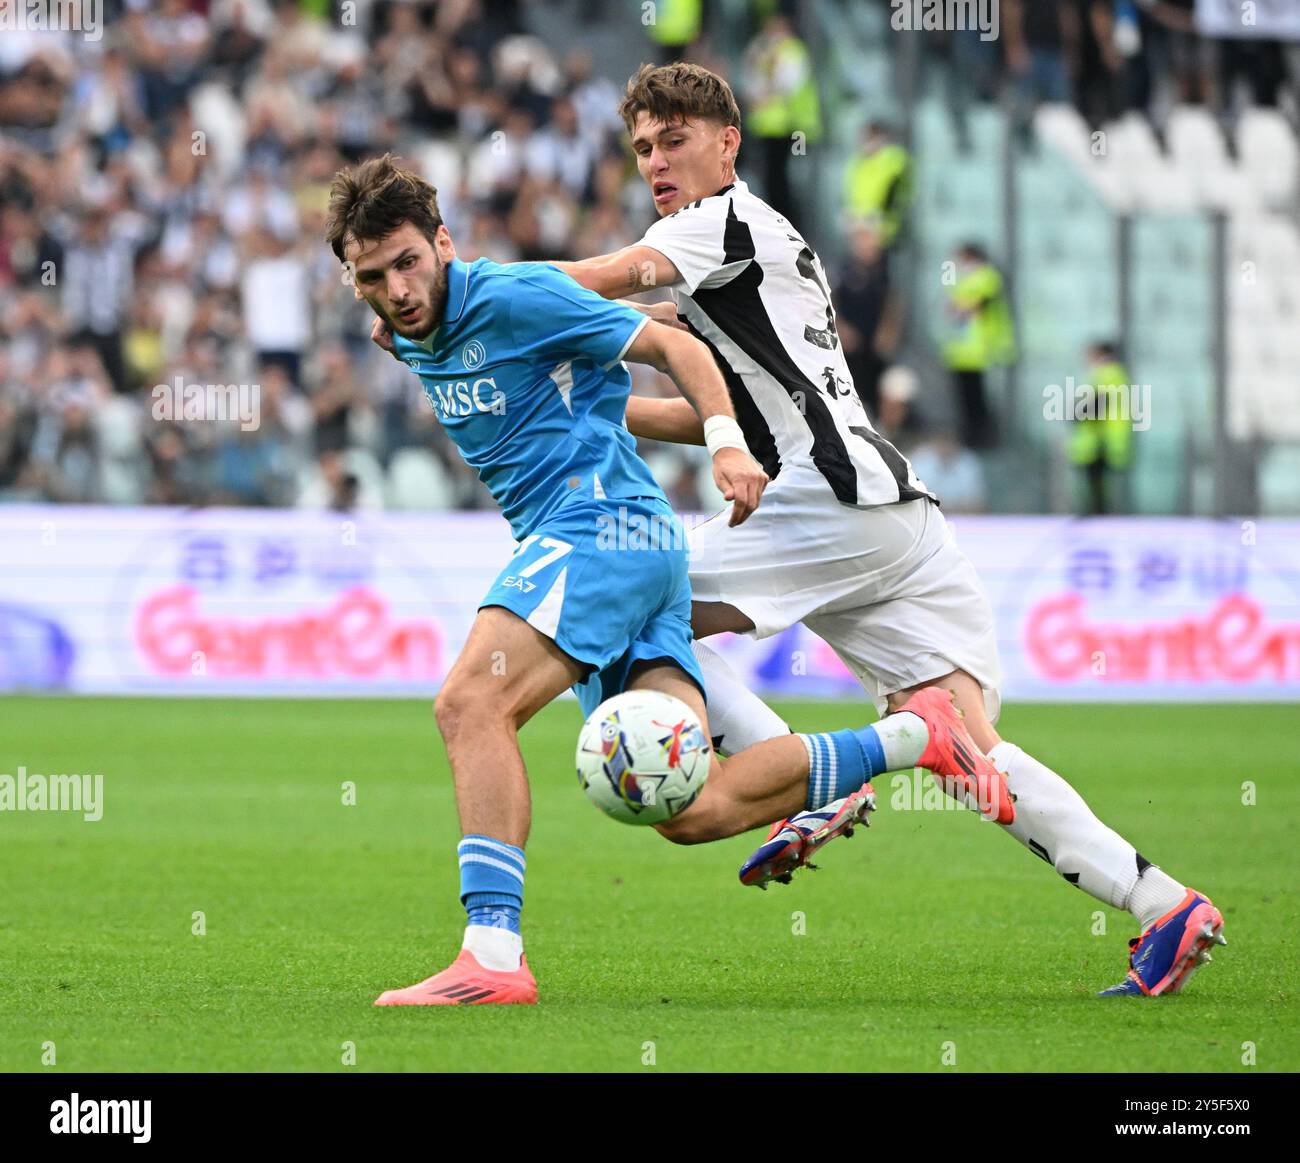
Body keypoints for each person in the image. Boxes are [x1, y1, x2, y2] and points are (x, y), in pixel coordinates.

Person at [543, 62, 1224, 997]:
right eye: (643, 149)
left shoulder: (717, 225)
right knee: (973, 759)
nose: (656, 162)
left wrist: (464, 301)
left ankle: (813, 780)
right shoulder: (740, 262)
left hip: (822, 504)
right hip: (892, 518)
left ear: (728, 143)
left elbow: (598, 279)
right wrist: (594, 410)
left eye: (673, 141)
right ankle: (1164, 904)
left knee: (617, 602)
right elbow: (716, 405)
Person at [341, 155, 1007, 1005]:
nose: (398, 289)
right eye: (373, 277)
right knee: (688, 806)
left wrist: (728, 438)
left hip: (596, 530)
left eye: (409, 262)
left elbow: (672, 342)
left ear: (443, 242)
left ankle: (492, 956)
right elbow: (492, 366)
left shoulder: (508, 295)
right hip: (633, 549)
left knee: (470, 702)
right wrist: (403, 330)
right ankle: (916, 734)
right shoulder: (407, 329)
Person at [942, 242, 1016, 450]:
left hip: (983, 352)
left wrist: (960, 306)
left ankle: (985, 440)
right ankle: (972, 438)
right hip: (964, 353)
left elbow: (972, 306)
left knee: (979, 402)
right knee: (967, 400)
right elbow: (951, 307)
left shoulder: (986, 276)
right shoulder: (965, 280)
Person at [1070, 341, 1134, 516]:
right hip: (1104, 438)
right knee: (1100, 484)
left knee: (1097, 484)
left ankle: (1099, 514)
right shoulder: (1116, 375)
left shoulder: (1106, 374)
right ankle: (1100, 513)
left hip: (1100, 439)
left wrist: (1077, 414)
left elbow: (1098, 403)